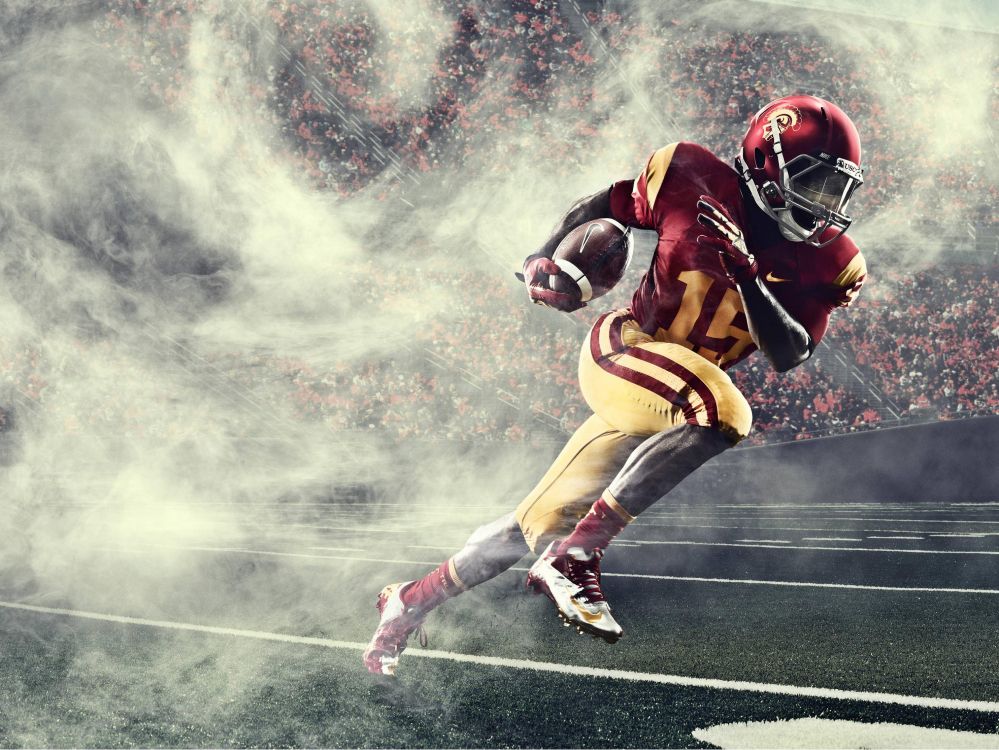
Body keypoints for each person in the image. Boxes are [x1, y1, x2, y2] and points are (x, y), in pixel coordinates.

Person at [363, 94, 868, 675]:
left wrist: (748, 276)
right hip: (631, 351)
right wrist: (545, 254)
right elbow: (604, 203)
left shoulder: (832, 260)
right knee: (725, 411)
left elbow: (789, 351)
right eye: (815, 184)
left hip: (670, 396)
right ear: (766, 165)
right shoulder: (689, 175)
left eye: (837, 189)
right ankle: (578, 555)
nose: (825, 205)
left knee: (532, 522)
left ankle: (407, 601)